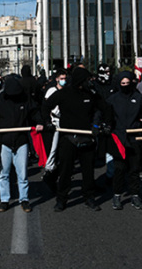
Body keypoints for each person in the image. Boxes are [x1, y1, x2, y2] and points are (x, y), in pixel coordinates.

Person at [43, 67, 107, 212]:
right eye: (87, 80)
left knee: (88, 171)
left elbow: (103, 108)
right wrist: (48, 122)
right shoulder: (63, 94)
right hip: (68, 137)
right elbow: (46, 107)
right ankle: (61, 199)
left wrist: (99, 124)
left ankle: (89, 197)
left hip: (87, 137)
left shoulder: (91, 94)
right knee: (66, 170)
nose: (90, 82)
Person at [0, 75, 43, 212]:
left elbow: (34, 112)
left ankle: (24, 199)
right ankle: (4, 199)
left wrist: (39, 122)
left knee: (22, 173)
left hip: (21, 140)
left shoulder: (25, 99)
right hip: (4, 141)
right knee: (4, 173)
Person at [107, 72, 142, 210]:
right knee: (119, 168)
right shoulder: (113, 99)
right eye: (123, 84)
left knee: (134, 169)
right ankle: (116, 195)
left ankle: (135, 195)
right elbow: (104, 113)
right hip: (119, 138)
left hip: (134, 138)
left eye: (128, 83)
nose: (125, 86)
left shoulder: (138, 98)